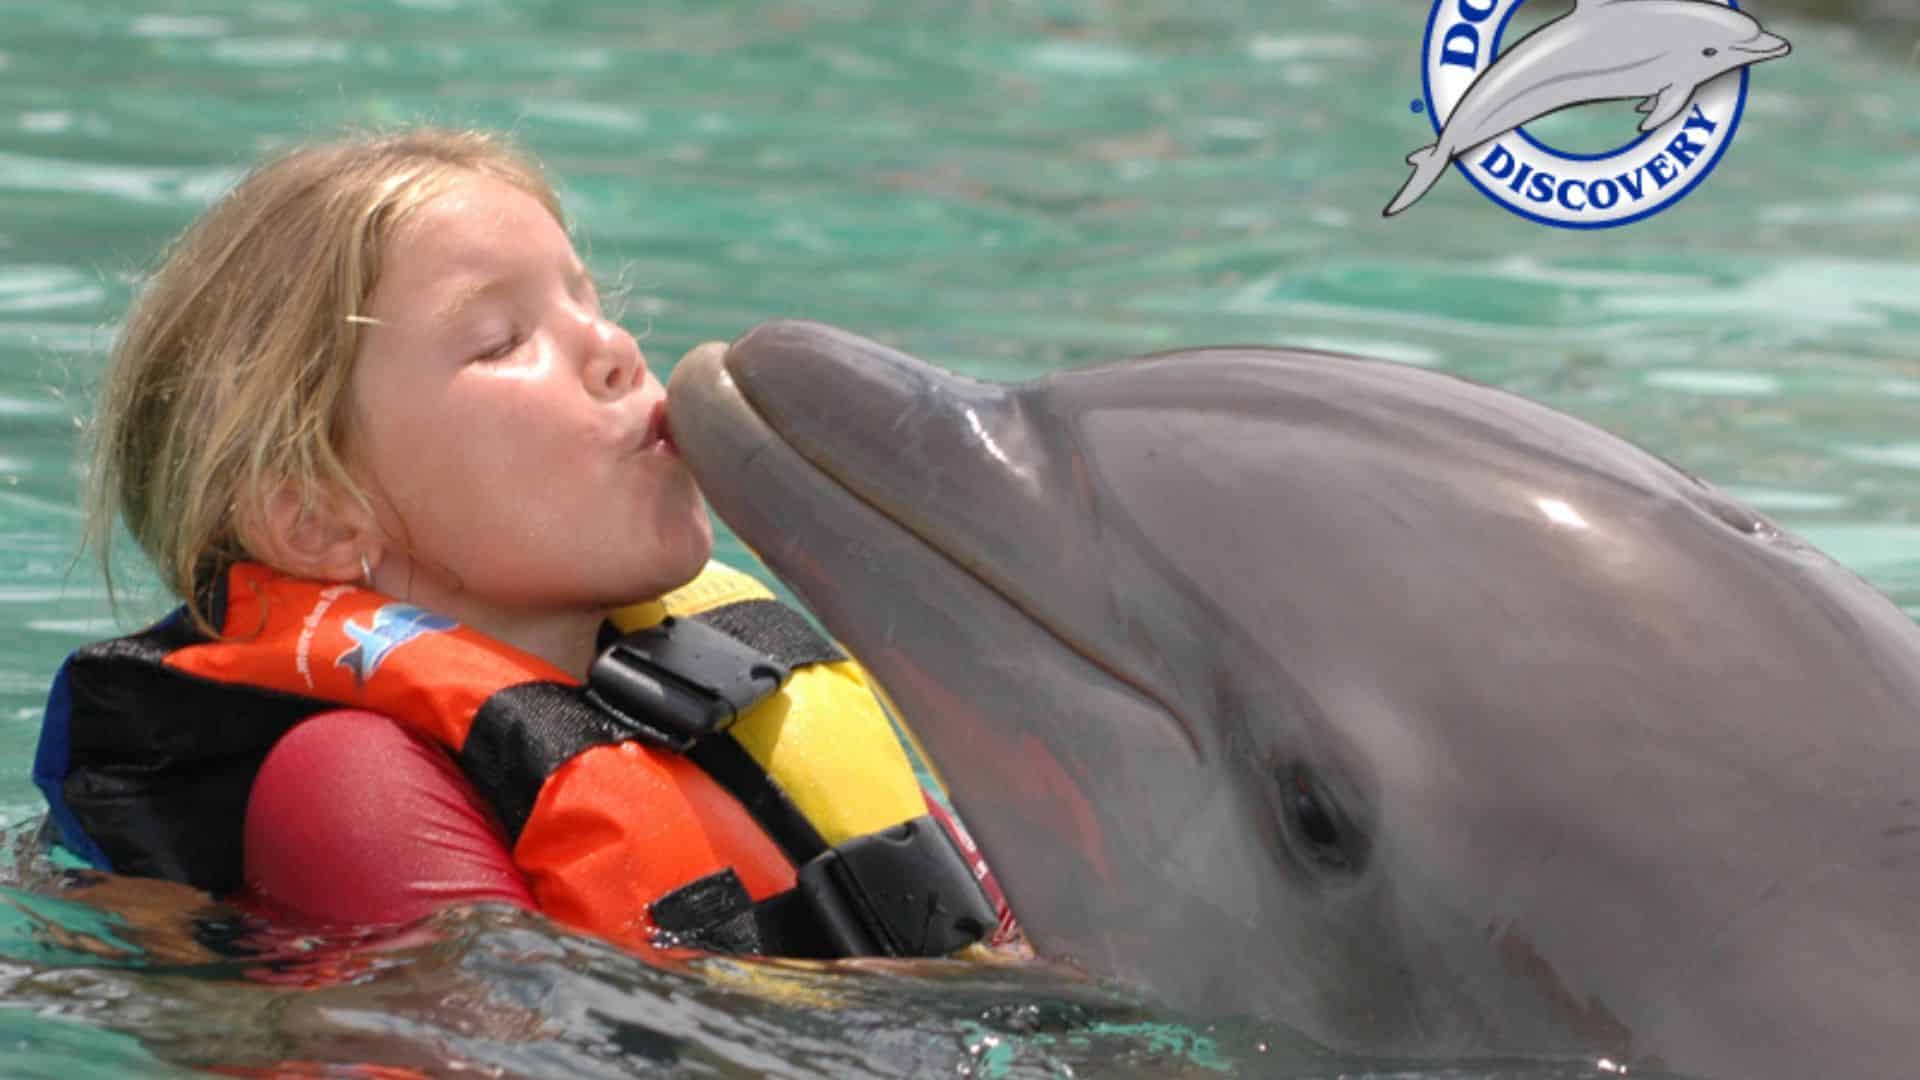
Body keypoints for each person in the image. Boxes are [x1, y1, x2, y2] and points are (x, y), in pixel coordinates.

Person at [34, 127, 1016, 959]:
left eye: (589, 301)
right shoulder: (350, 785)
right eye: (503, 340)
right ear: (320, 518)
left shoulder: (733, 681)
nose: (615, 347)